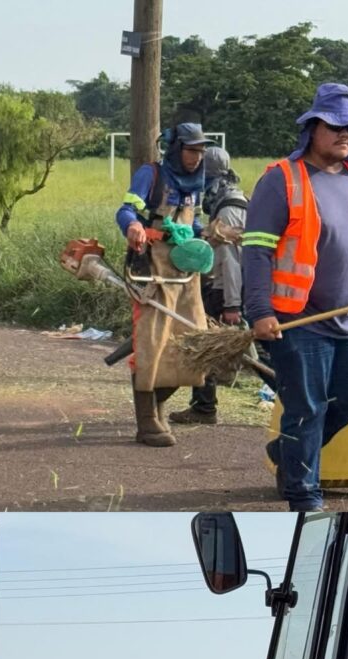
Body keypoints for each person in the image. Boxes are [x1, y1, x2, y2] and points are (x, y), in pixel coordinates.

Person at [243, 82, 348, 511]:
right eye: (337, 125)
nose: (346, 134)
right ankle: (304, 495)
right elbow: (257, 250)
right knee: (306, 409)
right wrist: (260, 310)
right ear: (312, 128)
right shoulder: (282, 179)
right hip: (298, 321)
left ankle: (288, 454)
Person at [116, 123, 215, 447]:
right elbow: (125, 209)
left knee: (191, 340)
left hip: (185, 272)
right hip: (153, 268)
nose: (196, 157)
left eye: (200, 151)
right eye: (191, 150)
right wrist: (132, 225)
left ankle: (160, 403)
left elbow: (192, 222)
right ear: (175, 149)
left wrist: (207, 236)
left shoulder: (197, 181)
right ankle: (146, 421)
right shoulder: (152, 174)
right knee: (152, 339)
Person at [170, 146, 250, 426]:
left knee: (207, 347)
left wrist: (231, 304)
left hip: (224, 290)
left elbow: (230, 261)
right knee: (222, 347)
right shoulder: (230, 203)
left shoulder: (229, 208)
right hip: (222, 288)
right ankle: (203, 406)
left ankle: (204, 408)